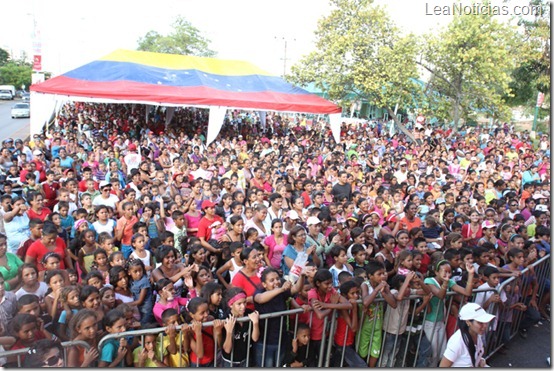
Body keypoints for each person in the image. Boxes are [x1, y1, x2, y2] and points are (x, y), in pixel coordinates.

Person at [439, 302, 494, 367]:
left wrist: (480, 361)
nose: (485, 326)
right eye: (480, 322)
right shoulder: (457, 342)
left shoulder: (477, 334)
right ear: (468, 322)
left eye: (485, 321)